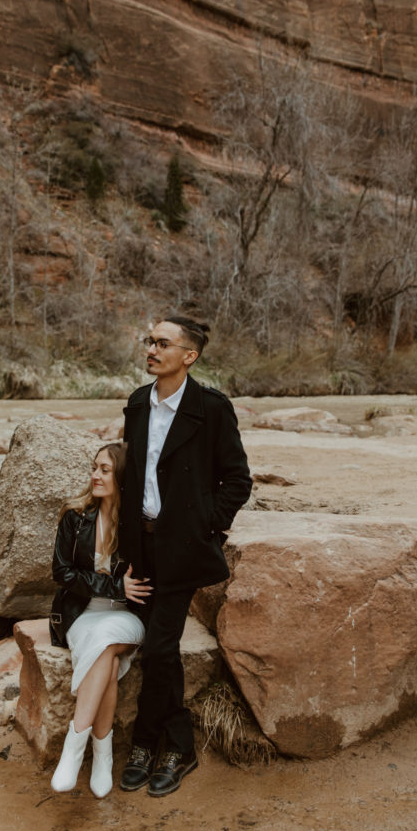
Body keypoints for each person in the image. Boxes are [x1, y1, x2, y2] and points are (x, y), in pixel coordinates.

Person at [118, 315, 252, 797]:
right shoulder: (137, 403)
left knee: (157, 648)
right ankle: (169, 745)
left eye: (162, 343)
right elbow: (132, 474)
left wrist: (204, 526)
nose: (151, 349)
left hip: (182, 549)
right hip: (141, 545)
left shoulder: (211, 408)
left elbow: (237, 479)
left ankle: (154, 743)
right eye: (150, 341)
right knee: (159, 652)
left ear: (188, 356)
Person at [49, 442, 151, 798]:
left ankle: (73, 748)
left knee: (108, 639)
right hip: (82, 615)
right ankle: (100, 753)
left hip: (126, 617)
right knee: (105, 659)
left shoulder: (140, 526)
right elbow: (61, 573)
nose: (94, 475)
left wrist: (121, 592)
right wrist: (112, 586)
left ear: (121, 477)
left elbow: (148, 582)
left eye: (104, 470)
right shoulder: (74, 517)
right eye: (94, 468)